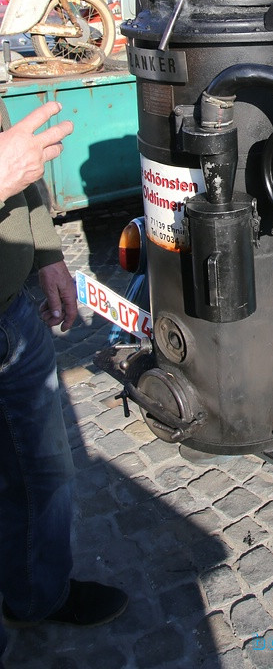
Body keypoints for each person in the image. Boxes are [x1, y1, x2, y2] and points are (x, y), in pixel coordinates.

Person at [0, 99, 127, 662]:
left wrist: (46, 254)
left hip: (11, 315)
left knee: (43, 471)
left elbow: (17, 165)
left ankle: (36, 594)